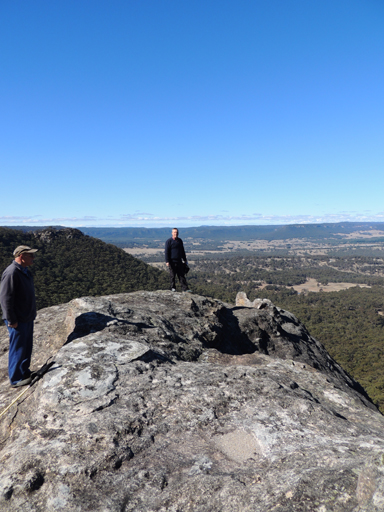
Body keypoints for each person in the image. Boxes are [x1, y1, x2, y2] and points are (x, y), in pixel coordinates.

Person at [0, 245, 38, 387]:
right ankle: (16, 379)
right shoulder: (11, 273)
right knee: (18, 348)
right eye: (30, 255)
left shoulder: (24, 271)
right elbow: (5, 299)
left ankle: (24, 371)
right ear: (21, 256)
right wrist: (11, 319)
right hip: (18, 319)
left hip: (27, 316)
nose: (33, 258)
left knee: (26, 346)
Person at [165, 228, 191, 292]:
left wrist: (185, 260)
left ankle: (185, 289)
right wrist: (167, 261)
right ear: (172, 233)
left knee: (181, 275)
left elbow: (182, 251)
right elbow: (166, 252)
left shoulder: (180, 241)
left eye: (176, 232)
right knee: (172, 276)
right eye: (174, 232)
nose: (175, 233)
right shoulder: (169, 241)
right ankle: (173, 288)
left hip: (179, 261)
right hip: (172, 261)